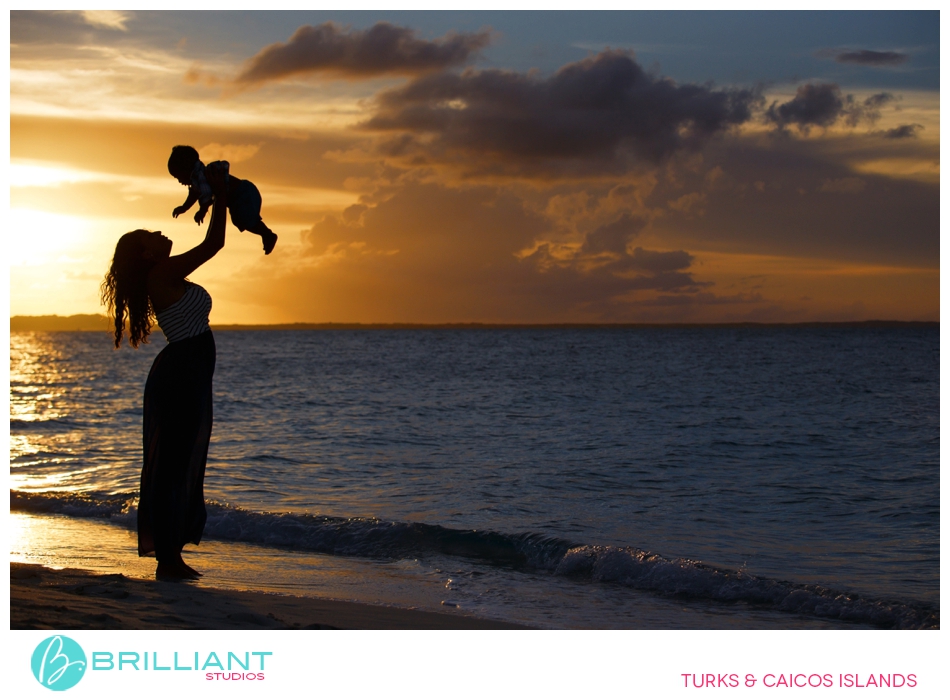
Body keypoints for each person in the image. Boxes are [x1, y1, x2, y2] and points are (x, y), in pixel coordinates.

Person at [100, 167, 229, 580]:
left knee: (177, 460)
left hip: (185, 372)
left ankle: (169, 556)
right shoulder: (162, 273)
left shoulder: (164, 273)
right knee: (174, 462)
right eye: (151, 236)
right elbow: (215, 242)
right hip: (181, 375)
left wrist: (209, 198)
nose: (160, 234)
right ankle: (168, 560)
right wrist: (221, 194)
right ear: (147, 254)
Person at [168, 144, 278, 255]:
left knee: (246, 219)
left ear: (186, 169)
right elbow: (194, 195)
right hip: (242, 194)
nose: (179, 181)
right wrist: (184, 208)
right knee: (240, 220)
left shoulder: (201, 176)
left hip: (242, 194)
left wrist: (202, 210)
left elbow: (206, 195)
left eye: (178, 177)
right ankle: (266, 234)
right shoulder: (198, 180)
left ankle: (267, 234)